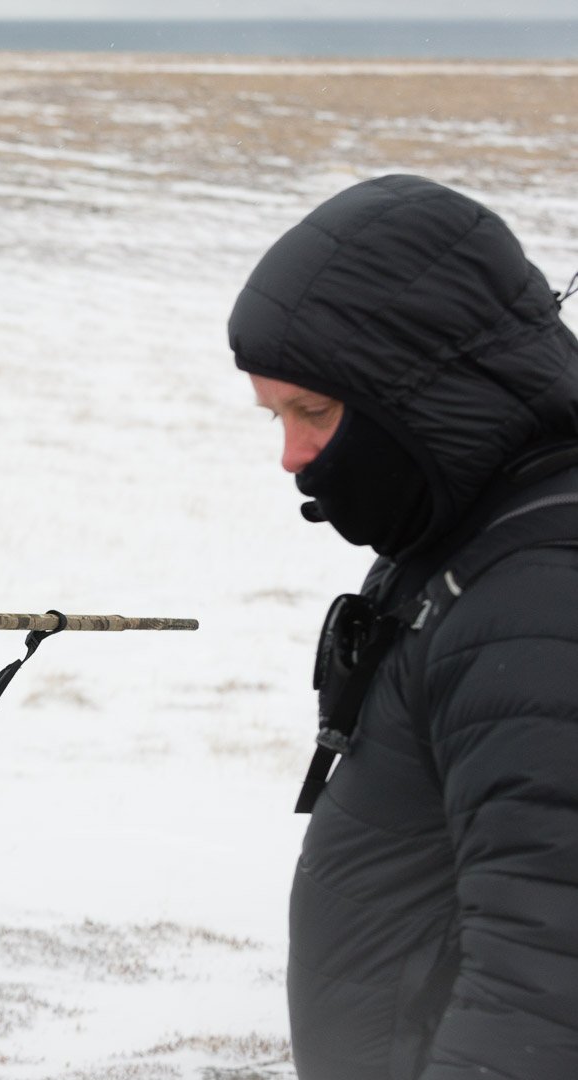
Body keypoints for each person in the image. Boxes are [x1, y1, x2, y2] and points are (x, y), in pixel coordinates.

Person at [230, 174, 578, 1079]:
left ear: (425, 393)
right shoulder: (475, 527)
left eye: (313, 412)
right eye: (276, 416)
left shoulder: (539, 609)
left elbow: (542, 992)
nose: (291, 457)